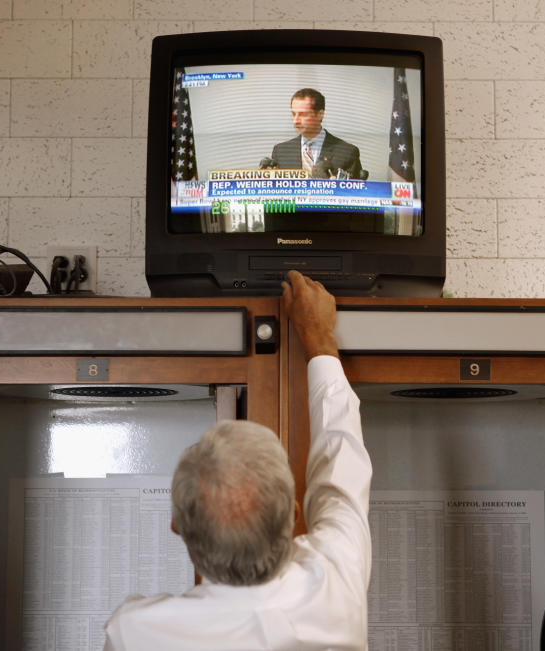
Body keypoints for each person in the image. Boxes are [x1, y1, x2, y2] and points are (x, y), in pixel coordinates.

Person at [103, 270, 372, 650]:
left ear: (177, 525)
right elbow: (341, 460)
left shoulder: (135, 633)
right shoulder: (335, 585)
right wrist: (320, 342)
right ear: (294, 515)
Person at [269, 89, 363, 179]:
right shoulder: (281, 152)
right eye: (294, 114)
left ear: (320, 115)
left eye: (303, 114)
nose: (295, 121)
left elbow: (354, 193)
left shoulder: (347, 153)